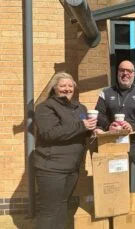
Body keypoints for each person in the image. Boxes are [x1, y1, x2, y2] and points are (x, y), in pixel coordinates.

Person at [33, 72, 97, 229]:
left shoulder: (80, 107)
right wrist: (82, 126)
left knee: (62, 206)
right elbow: (49, 133)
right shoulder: (45, 108)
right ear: (54, 88)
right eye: (62, 86)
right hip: (51, 169)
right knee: (48, 211)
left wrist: (93, 130)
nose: (67, 89)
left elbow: (84, 127)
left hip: (72, 168)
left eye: (70, 86)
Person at [95, 60, 135, 190]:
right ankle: (122, 207)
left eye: (129, 71)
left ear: (133, 74)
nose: (125, 73)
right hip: (114, 142)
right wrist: (109, 126)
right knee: (116, 183)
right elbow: (98, 114)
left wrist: (133, 127)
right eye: (122, 70)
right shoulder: (106, 92)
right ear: (117, 73)